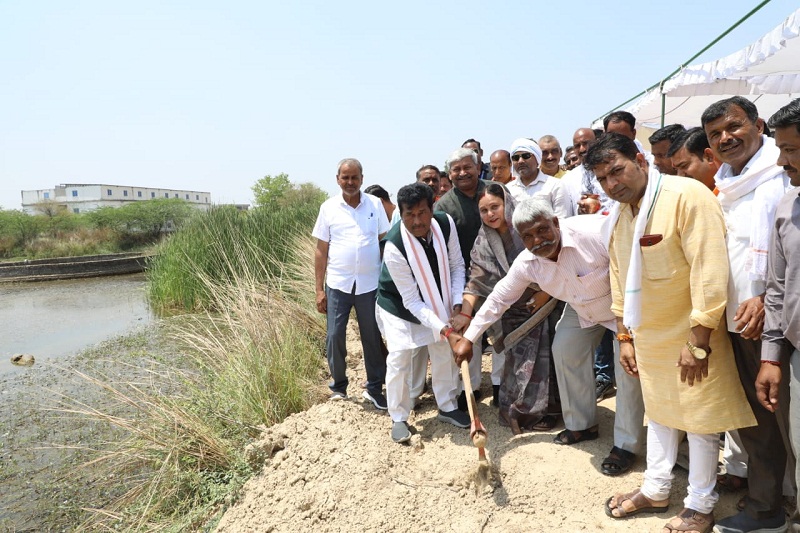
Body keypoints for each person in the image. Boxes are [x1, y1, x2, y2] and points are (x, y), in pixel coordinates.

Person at [587, 133, 755, 532]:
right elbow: (617, 276)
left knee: (699, 420)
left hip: (692, 334)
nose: (613, 184)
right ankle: (657, 488)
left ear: (640, 160)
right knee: (660, 415)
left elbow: (709, 269)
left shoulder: (687, 196)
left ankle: (700, 504)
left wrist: (698, 340)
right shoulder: (621, 216)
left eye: (617, 171)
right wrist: (625, 338)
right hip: (648, 336)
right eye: (603, 179)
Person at [452, 194, 645, 474]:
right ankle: (582, 425)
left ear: (556, 222)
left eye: (543, 229)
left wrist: (627, 331)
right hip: (581, 310)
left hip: (622, 312)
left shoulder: (594, 232)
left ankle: (626, 445)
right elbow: (497, 300)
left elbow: (630, 272)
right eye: (528, 236)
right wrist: (469, 338)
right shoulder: (528, 263)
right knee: (564, 349)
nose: (538, 240)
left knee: (627, 368)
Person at [701, 96, 794, 533]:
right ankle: (769, 506)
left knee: (781, 422)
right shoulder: (726, 185)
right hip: (738, 320)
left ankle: (769, 506)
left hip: (770, 319)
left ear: (758, 124)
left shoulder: (781, 175)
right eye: (715, 134)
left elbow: (779, 255)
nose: (725, 138)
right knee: (758, 423)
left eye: (733, 127)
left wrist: (759, 296)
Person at [453, 184, 563, 433]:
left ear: (508, 204)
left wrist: (547, 292)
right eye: (483, 210)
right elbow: (477, 282)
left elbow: (555, 261)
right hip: (511, 312)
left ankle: (551, 411)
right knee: (520, 364)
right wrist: (465, 314)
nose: (490, 214)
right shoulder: (484, 242)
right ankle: (523, 411)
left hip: (546, 304)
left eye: (495, 207)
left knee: (548, 361)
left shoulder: (526, 228)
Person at [376, 182, 470, 443]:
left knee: (442, 349)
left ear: (432, 208)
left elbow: (456, 265)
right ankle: (398, 416)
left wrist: (457, 303)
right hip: (398, 306)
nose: (417, 221)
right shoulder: (394, 246)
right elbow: (412, 301)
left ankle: (448, 405)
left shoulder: (445, 223)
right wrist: (445, 329)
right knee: (400, 358)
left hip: (440, 296)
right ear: (401, 213)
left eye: (422, 213)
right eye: (409, 214)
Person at [312, 158, 389, 407]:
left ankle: (375, 388)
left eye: (354, 177)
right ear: (337, 179)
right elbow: (321, 250)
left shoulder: (375, 205)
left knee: (372, 336)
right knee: (334, 336)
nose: (350, 182)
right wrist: (318, 290)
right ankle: (339, 387)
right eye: (345, 177)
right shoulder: (328, 208)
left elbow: (384, 243)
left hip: (370, 284)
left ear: (362, 179)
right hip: (337, 285)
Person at [756, 97, 800, 532]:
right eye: (780, 149)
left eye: (792, 150)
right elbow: (777, 288)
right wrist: (772, 356)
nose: (783, 161)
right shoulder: (787, 207)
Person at [435, 147, 489, 399]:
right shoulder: (443, 207)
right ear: (449, 174)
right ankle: (473, 387)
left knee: (502, 331)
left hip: (501, 276)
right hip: (466, 282)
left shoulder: (495, 191)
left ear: (479, 168)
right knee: (471, 332)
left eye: (468, 166)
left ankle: (501, 385)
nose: (463, 172)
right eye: (456, 169)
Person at [506, 138, 570, 217]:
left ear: (537, 158)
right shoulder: (508, 190)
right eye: (515, 158)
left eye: (526, 156)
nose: (520, 161)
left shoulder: (555, 185)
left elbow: (562, 220)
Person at [667, 127, 720, 192]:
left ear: (709, 156)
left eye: (684, 166)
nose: (679, 175)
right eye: (676, 169)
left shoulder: (731, 191)